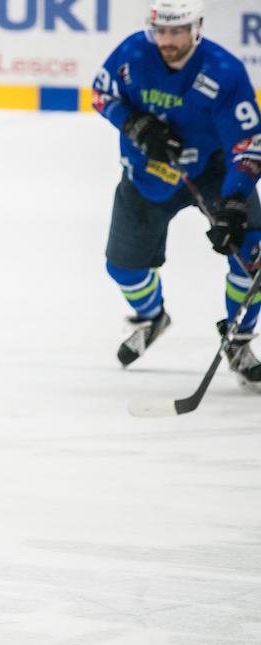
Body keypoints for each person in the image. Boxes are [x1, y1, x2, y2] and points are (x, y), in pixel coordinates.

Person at [92, 0, 261, 390]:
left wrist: (235, 201)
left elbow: (249, 142)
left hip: (212, 172)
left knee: (250, 252)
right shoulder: (133, 54)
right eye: (161, 31)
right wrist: (135, 124)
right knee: (124, 267)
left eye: (177, 31)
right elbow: (102, 94)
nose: (167, 40)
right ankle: (152, 317)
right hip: (146, 173)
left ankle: (238, 340)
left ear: (196, 28)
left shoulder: (223, 71)